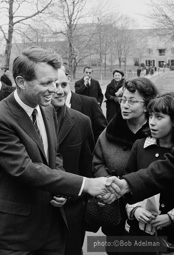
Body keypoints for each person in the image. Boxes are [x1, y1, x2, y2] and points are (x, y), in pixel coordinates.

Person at [0, 46, 119, 254]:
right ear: (20, 82)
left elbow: (54, 156)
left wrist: (63, 188)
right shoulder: (3, 117)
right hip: (17, 233)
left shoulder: (46, 109)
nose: (55, 90)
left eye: (56, 82)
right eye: (46, 83)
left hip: (55, 228)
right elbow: (25, 168)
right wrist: (84, 184)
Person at [93, 77, 158, 255]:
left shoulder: (159, 132)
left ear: (147, 106)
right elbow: (97, 162)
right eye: (123, 100)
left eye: (132, 101)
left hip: (150, 212)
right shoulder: (110, 131)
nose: (125, 105)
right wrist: (109, 184)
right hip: (115, 209)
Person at [51, 68, 95, 255]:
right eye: (54, 85)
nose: (60, 91)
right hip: (36, 214)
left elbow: (87, 168)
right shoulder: (26, 122)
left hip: (72, 213)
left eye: (63, 84)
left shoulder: (82, 122)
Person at [125, 93, 174, 254]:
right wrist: (135, 210)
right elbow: (128, 183)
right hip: (140, 237)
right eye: (150, 115)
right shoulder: (139, 146)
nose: (152, 122)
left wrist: (171, 217)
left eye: (159, 117)